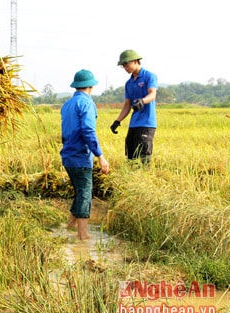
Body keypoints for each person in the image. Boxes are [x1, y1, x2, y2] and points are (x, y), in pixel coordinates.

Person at [60, 69, 109, 240]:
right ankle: (82, 235)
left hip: (67, 156)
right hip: (80, 156)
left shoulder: (67, 104)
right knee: (85, 193)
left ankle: (68, 227)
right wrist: (100, 156)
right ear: (91, 86)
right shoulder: (87, 104)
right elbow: (88, 131)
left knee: (80, 191)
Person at [110, 49, 158, 165]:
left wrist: (143, 101)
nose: (125, 67)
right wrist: (117, 121)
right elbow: (127, 105)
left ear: (135, 61)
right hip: (134, 124)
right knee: (131, 157)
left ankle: (144, 180)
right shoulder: (129, 83)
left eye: (126, 64)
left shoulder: (149, 76)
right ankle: (131, 178)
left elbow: (152, 94)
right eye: (123, 65)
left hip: (146, 123)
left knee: (143, 157)